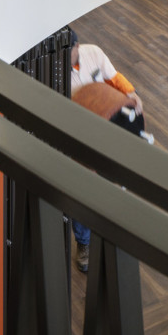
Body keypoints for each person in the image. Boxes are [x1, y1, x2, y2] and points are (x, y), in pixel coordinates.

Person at [69, 42, 151, 273]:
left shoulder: (92, 52)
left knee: (114, 178)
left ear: (76, 46)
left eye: (70, 51)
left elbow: (114, 76)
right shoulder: (52, 71)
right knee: (82, 189)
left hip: (108, 124)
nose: (67, 56)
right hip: (78, 132)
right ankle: (84, 243)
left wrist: (131, 93)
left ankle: (115, 229)